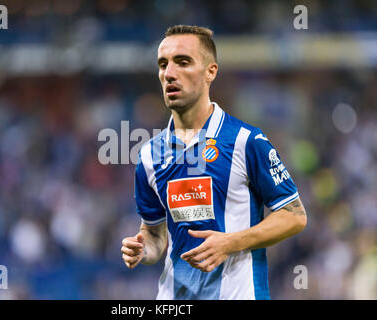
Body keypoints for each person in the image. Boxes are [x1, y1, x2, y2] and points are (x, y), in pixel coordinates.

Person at [121, 25, 307, 300]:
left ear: (211, 71)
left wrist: (230, 243)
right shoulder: (149, 155)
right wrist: (143, 249)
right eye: (163, 64)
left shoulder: (246, 141)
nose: (169, 73)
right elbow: (154, 234)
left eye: (183, 62)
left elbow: (294, 216)